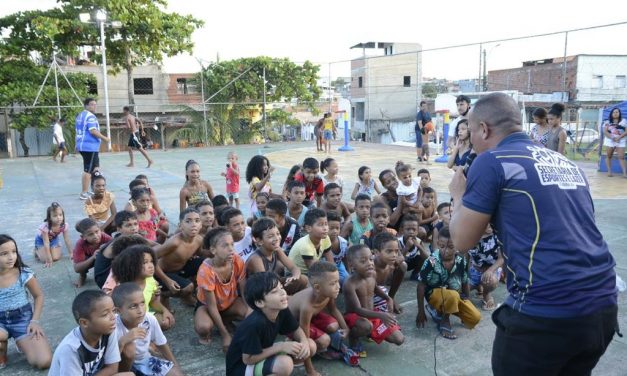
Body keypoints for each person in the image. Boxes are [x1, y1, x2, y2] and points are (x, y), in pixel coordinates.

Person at [448, 92, 618, 375]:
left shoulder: (492, 160)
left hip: (546, 311)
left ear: (484, 129)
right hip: (602, 306)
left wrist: (458, 196)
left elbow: (462, 241)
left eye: (471, 132)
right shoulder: (567, 164)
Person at [225, 272, 314, 376]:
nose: (283, 293)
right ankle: (275, 368)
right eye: (275, 291)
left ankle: (273, 368)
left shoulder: (281, 309)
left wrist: (304, 341)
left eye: (281, 287)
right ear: (260, 303)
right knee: (285, 364)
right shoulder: (254, 324)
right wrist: (281, 346)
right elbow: (248, 359)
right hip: (241, 368)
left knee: (310, 345)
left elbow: (296, 329)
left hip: (263, 353)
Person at [415, 227, 481, 340]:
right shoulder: (431, 262)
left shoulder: (461, 260)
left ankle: (436, 310)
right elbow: (421, 287)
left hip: (454, 297)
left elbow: (465, 282)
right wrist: (420, 311)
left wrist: (467, 302)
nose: (446, 251)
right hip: (434, 295)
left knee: (475, 317)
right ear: (438, 243)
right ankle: (444, 320)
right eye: (442, 246)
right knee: (453, 295)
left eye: (451, 247)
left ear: (457, 246)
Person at [288, 261, 354, 374]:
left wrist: (346, 328)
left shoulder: (329, 293)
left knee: (334, 325)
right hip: (294, 324)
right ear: (317, 288)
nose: (338, 286)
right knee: (324, 341)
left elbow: (333, 310)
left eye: (338, 281)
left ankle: (320, 343)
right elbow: (305, 336)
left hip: (312, 318)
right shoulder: (307, 307)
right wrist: (310, 371)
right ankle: (295, 348)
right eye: (333, 283)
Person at [0, 235, 52, 370]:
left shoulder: (23, 273)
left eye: (13, 251)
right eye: (4, 254)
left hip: (22, 320)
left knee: (44, 362)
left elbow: (38, 295)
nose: (11, 257)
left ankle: (20, 341)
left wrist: (34, 321)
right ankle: (2, 352)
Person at [48, 290, 128, 376]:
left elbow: (112, 369)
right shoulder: (71, 349)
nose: (113, 317)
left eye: (113, 311)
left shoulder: (109, 330)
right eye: (105, 314)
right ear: (84, 323)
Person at [343, 244, 404, 352]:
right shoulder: (350, 283)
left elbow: (375, 288)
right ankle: (353, 337)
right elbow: (358, 310)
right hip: (355, 316)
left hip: (372, 314)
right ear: (352, 265)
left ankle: (370, 333)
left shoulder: (372, 274)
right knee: (366, 326)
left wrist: (388, 298)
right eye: (363, 261)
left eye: (371, 259)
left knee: (399, 339)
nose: (369, 264)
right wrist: (381, 315)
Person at [195, 228, 247, 349]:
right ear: (213, 250)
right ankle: (222, 325)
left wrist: (250, 309)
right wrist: (225, 335)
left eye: (232, 244)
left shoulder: (237, 260)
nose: (231, 249)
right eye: (225, 246)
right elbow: (212, 306)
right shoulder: (206, 270)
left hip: (230, 301)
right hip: (208, 306)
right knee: (204, 328)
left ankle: (224, 319)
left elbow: (244, 290)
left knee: (249, 314)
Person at [112, 283, 181, 375]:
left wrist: (174, 365)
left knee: (176, 373)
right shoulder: (112, 327)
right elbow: (109, 360)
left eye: (143, 303)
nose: (141, 310)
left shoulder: (149, 319)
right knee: (129, 348)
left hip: (144, 360)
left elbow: (161, 343)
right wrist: (123, 341)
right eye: (133, 306)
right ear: (118, 311)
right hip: (120, 368)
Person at [105, 245, 175, 330]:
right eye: (145, 262)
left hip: (145, 314)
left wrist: (165, 310)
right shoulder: (123, 288)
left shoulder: (150, 280)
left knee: (166, 321)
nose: (151, 266)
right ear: (131, 265)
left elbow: (152, 301)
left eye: (151, 261)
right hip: (128, 323)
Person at [154, 208, 203, 307]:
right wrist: (167, 280)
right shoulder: (174, 242)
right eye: (188, 221)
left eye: (197, 221)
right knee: (189, 287)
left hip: (180, 269)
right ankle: (164, 295)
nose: (193, 224)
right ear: (180, 225)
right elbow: (151, 258)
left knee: (204, 263)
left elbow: (200, 253)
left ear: (201, 224)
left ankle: (189, 293)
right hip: (161, 273)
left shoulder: (199, 240)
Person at [247, 218, 308, 295]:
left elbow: (294, 268)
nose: (276, 238)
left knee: (303, 280)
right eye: (270, 236)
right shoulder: (256, 259)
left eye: (278, 234)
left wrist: (294, 277)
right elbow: (265, 284)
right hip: (262, 291)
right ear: (259, 241)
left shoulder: (277, 250)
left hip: (274, 284)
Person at [76, 97, 110, 200]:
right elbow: (92, 131)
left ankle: (94, 188)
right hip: (89, 147)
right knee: (88, 170)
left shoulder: (80, 116)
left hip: (88, 146)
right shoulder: (90, 116)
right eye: (91, 104)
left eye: (95, 104)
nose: (94, 106)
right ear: (86, 105)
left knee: (95, 167)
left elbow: (79, 130)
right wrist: (105, 138)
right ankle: (84, 192)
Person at [467, 225, 504, 311]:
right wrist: (465, 274)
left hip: (492, 269)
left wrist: (490, 270)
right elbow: (466, 256)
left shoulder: (497, 235)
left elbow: (501, 258)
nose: (490, 224)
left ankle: (486, 293)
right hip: (475, 270)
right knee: (460, 290)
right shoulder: (470, 236)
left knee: (490, 281)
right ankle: (478, 286)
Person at [288, 209, 332, 276]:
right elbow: (313, 271)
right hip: (295, 274)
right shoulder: (305, 245)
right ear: (308, 228)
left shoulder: (325, 238)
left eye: (326, 224)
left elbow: (331, 262)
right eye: (320, 225)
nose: (325, 228)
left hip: (311, 270)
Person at [73, 218, 112, 287]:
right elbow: (77, 268)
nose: (95, 236)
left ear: (100, 230)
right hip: (89, 259)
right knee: (82, 262)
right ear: (83, 237)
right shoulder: (80, 244)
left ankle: (110, 276)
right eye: (90, 234)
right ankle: (82, 276)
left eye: (97, 231)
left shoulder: (106, 238)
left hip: (103, 259)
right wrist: (93, 257)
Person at [34, 202, 72, 267]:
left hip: (53, 239)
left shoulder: (64, 225)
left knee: (55, 258)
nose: (58, 217)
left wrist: (71, 253)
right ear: (50, 217)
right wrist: (49, 259)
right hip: (42, 241)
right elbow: (46, 243)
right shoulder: (45, 227)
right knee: (44, 259)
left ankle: (54, 248)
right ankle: (36, 250)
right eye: (55, 215)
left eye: (60, 215)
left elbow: (67, 239)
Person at [326, 211, 349, 287]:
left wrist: (348, 272)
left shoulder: (343, 243)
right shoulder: (321, 243)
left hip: (339, 266)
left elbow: (345, 259)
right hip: (325, 269)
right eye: (331, 228)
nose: (335, 231)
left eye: (337, 228)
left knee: (347, 280)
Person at [602, 106, 627, 177]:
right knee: (609, 156)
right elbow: (605, 131)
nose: (615, 113)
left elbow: (626, 131)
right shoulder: (607, 121)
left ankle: (624, 173)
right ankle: (609, 172)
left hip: (621, 140)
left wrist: (619, 137)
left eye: (617, 112)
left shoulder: (624, 121)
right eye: (614, 112)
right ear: (611, 114)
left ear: (619, 113)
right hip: (610, 140)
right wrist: (612, 137)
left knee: (621, 157)